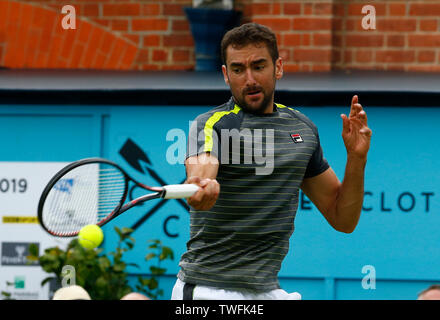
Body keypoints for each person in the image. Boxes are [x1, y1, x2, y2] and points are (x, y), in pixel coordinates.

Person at [171, 23, 372, 300]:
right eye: (238, 70)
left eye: (259, 66)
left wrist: (357, 158)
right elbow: (202, 167)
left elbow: (343, 218)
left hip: (266, 289)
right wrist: (202, 186)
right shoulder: (211, 125)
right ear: (226, 75)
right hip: (209, 289)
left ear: (278, 67)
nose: (250, 79)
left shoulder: (302, 128)